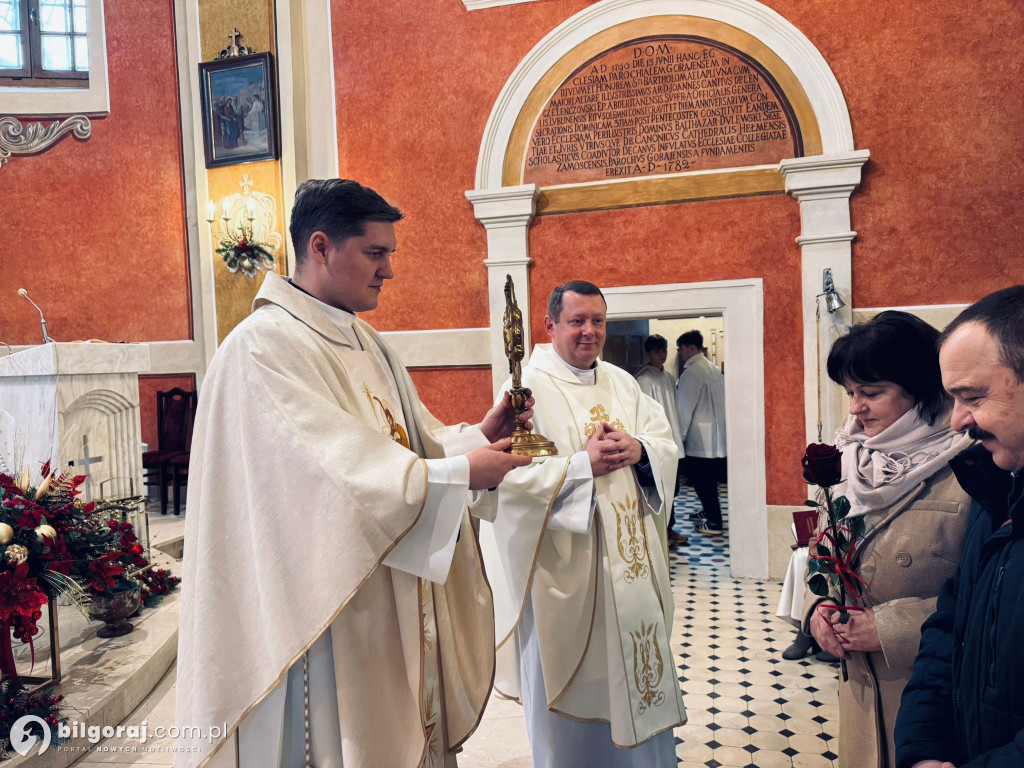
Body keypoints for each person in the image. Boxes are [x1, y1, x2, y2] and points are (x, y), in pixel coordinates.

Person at [175, 179, 533, 768]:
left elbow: (408, 442)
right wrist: (460, 476)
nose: (389, 270)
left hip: (380, 588)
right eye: (375, 253)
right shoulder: (263, 348)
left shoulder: (364, 340)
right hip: (320, 610)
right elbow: (331, 477)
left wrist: (478, 436)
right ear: (320, 247)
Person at [480, 281, 686, 768]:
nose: (589, 331)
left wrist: (640, 451)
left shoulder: (622, 381)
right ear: (550, 326)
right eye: (577, 321)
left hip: (632, 571)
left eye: (597, 320)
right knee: (573, 723)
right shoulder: (525, 388)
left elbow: (664, 443)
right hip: (567, 577)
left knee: (639, 682)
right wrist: (580, 467)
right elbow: (508, 477)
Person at [802, 311, 973, 768]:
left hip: (931, 697)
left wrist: (891, 627)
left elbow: (989, 595)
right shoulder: (851, 459)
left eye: (871, 392)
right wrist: (817, 609)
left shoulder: (973, 465)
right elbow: (823, 550)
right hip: (860, 691)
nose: (855, 407)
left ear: (921, 387)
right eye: (850, 392)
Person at [895, 286, 1024, 768]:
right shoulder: (996, 491)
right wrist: (925, 748)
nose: (957, 422)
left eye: (971, 397)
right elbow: (952, 626)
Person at [636, 334, 688, 544]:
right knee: (659, 486)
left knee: (672, 487)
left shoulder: (667, 377)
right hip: (655, 443)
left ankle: (670, 529)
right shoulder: (643, 379)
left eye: (664, 351)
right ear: (648, 353)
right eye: (657, 351)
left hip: (673, 440)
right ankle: (659, 533)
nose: (662, 356)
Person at [675, 330, 727, 534]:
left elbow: (684, 409)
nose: (680, 354)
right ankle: (708, 512)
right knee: (708, 481)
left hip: (699, 441)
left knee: (702, 481)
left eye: (681, 349)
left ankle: (714, 523)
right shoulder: (712, 369)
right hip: (717, 438)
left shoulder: (691, 373)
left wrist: (678, 438)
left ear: (690, 348)